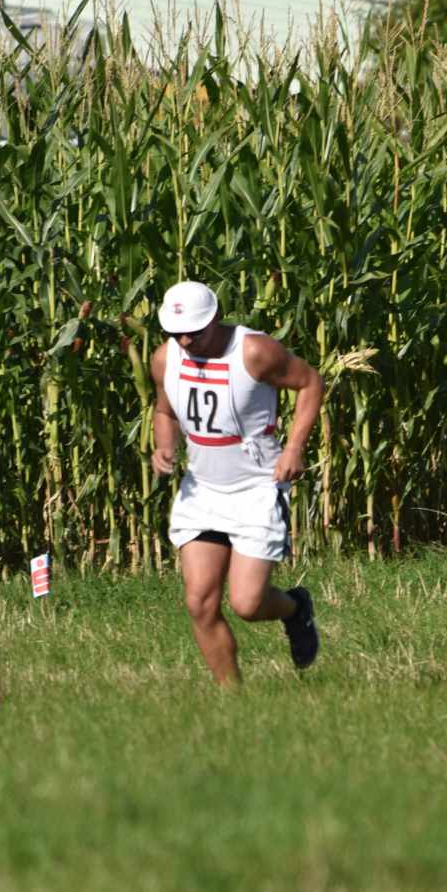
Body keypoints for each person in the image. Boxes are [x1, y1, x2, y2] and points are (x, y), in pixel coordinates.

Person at [150, 281, 324, 685]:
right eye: (177, 333)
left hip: (257, 489)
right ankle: (232, 700)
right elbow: (164, 410)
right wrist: (164, 446)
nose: (185, 341)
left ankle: (295, 608)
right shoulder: (165, 357)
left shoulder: (254, 351)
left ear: (215, 318)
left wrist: (294, 448)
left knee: (247, 603)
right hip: (202, 490)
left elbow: (310, 383)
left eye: (195, 331)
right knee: (200, 603)